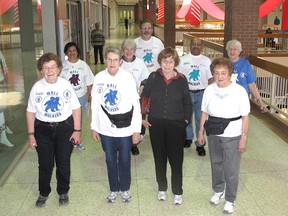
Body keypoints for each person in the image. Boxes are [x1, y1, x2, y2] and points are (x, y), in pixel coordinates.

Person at [26, 53, 81, 208]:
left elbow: (76, 108)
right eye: (45, 68)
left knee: (63, 162)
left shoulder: (65, 85)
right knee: (45, 164)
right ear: (41, 71)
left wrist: (77, 130)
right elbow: (30, 112)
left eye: (52, 67)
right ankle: (43, 192)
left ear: (58, 69)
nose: (49, 70)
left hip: (65, 128)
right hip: (42, 130)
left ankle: (63, 191)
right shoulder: (37, 87)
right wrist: (31, 134)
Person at [198, 57, 250, 214]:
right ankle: (218, 190)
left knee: (231, 168)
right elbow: (204, 112)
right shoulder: (209, 89)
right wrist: (200, 132)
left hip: (232, 134)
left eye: (223, 73)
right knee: (216, 163)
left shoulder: (239, 91)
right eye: (216, 73)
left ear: (230, 73)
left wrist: (243, 137)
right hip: (213, 131)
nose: (220, 77)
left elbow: (245, 116)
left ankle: (230, 199)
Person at [141, 47, 192, 205]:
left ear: (175, 62)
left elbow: (187, 103)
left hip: (176, 124)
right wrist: (142, 118)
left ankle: (177, 191)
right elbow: (145, 97)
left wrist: (185, 120)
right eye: (165, 61)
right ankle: (162, 188)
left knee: (176, 159)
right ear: (160, 62)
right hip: (156, 123)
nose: (168, 64)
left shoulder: (181, 79)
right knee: (159, 157)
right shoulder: (153, 77)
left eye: (171, 61)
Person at [90, 47, 142, 203]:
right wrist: (94, 126)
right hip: (105, 128)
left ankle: (125, 188)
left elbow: (136, 105)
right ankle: (114, 189)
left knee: (125, 159)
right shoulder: (99, 78)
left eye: (115, 60)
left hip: (125, 129)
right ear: (105, 60)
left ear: (120, 61)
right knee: (110, 159)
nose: (112, 62)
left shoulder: (128, 78)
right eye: (109, 59)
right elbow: (95, 104)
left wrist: (136, 130)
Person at [177, 38, 213, 156]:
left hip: (201, 93)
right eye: (194, 44)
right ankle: (188, 137)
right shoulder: (183, 60)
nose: (196, 46)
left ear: (201, 46)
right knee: (186, 118)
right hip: (186, 93)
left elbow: (210, 78)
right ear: (190, 46)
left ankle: (200, 143)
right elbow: (178, 76)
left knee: (200, 119)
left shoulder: (206, 61)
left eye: (198, 44)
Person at [60, 42, 94, 150]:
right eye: (69, 51)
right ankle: (67, 140)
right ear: (66, 53)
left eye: (74, 50)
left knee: (78, 120)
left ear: (77, 52)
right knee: (67, 119)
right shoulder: (62, 66)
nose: (72, 53)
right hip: (66, 98)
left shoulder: (83, 65)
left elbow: (89, 81)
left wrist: (90, 95)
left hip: (81, 96)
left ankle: (77, 141)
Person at [134, 20, 164, 142]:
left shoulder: (158, 42)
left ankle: (155, 130)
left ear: (152, 29)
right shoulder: (135, 43)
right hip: (140, 80)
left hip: (155, 77)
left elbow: (162, 59)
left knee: (155, 105)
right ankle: (140, 131)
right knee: (140, 106)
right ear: (140, 29)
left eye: (149, 28)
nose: (146, 30)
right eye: (144, 28)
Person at [120, 39, 149, 155]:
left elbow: (146, 77)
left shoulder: (140, 62)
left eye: (131, 49)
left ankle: (134, 144)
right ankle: (125, 142)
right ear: (123, 50)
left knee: (138, 119)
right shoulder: (119, 63)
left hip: (137, 97)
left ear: (135, 51)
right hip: (122, 98)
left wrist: (142, 86)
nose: (129, 51)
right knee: (126, 119)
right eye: (126, 49)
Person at [226, 39, 268, 113]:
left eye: (235, 49)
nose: (232, 51)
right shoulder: (223, 64)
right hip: (226, 99)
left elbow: (251, 84)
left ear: (239, 51)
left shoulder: (245, 64)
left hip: (242, 99)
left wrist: (260, 101)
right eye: (230, 49)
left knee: (243, 122)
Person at [0, 50, 14, 147]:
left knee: (2, 107)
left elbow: (3, 63)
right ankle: (3, 133)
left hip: (0, 80)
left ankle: (3, 130)